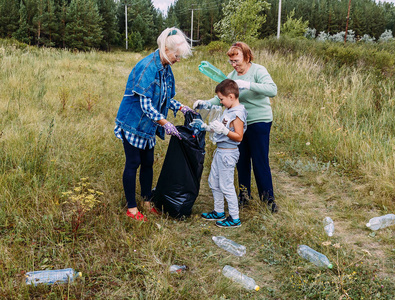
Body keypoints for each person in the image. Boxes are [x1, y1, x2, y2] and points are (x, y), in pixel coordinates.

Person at [115, 28, 196, 221]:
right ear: (166, 50)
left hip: (149, 126)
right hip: (133, 123)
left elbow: (165, 98)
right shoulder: (147, 68)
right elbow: (146, 104)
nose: (178, 59)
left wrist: (181, 107)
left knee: (148, 163)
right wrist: (165, 123)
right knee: (133, 163)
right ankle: (132, 208)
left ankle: (146, 201)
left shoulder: (166, 69)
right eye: (177, 55)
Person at [193, 42, 278, 212]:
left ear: (247, 56)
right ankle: (244, 197)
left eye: (236, 60)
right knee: (241, 161)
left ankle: (268, 200)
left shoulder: (258, 71)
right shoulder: (231, 76)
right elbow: (222, 98)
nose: (234, 64)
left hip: (259, 120)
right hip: (239, 123)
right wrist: (205, 103)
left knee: (260, 161)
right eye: (231, 61)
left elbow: (272, 90)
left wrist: (247, 85)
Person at [191, 79, 247, 228]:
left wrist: (225, 131)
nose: (220, 102)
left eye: (221, 99)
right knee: (213, 181)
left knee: (226, 185)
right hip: (220, 152)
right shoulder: (228, 110)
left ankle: (234, 218)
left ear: (231, 96)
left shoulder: (238, 112)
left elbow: (239, 136)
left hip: (228, 154)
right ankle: (219, 211)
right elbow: (220, 128)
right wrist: (206, 127)